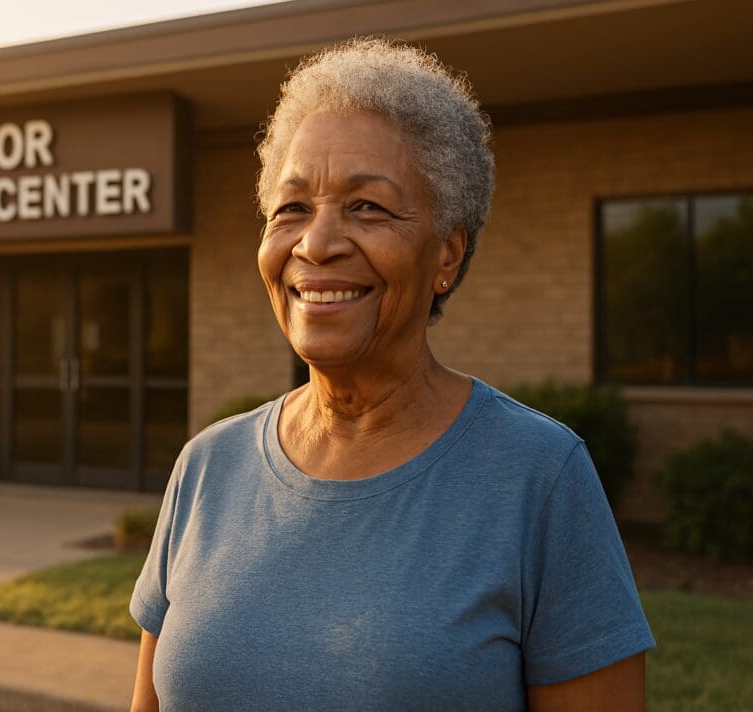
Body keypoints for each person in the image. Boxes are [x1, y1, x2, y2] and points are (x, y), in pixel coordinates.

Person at [129, 38, 654, 711]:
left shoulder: (538, 478)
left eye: (368, 207)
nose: (316, 244)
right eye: (291, 209)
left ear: (447, 253)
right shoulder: (206, 467)